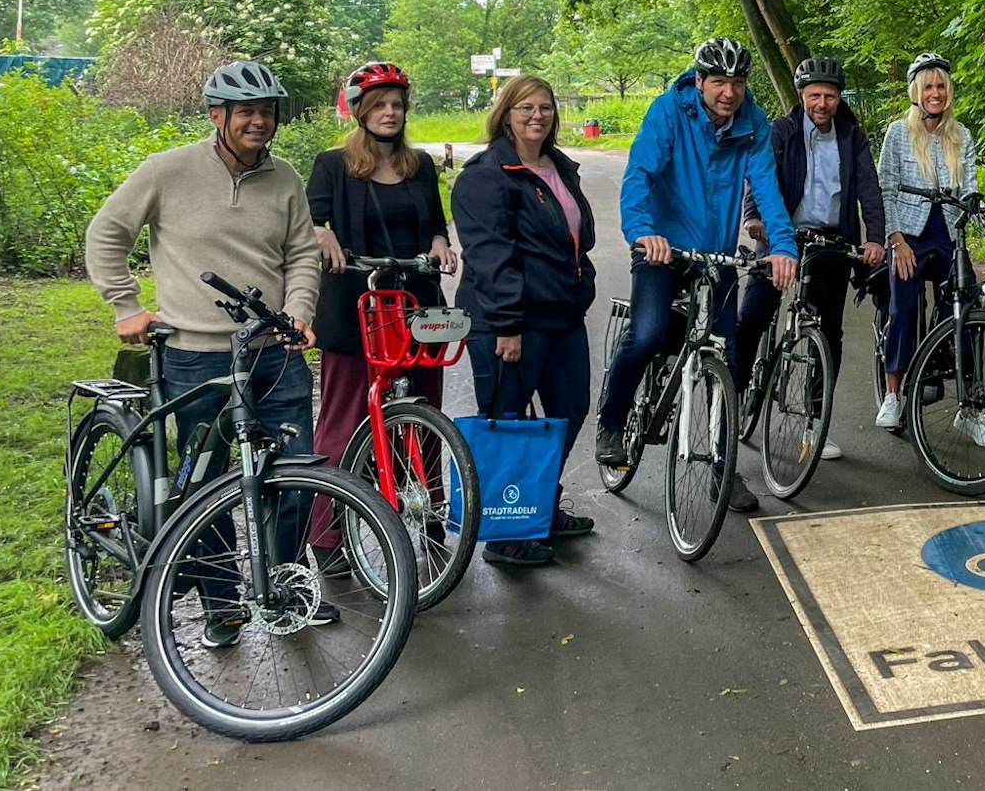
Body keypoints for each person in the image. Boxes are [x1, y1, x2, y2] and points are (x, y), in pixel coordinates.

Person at [84, 59, 323, 648]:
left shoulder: (285, 178)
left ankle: (288, 587)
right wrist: (125, 305)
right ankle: (224, 605)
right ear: (217, 116)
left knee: (293, 474)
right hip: (195, 354)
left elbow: (302, 253)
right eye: (246, 112)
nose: (258, 122)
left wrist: (299, 310)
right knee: (210, 483)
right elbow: (106, 232)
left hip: (273, 351)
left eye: (267, 112)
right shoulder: (167, 171)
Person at [593, 38, 798, 514]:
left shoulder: (753, 124)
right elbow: (640, 173)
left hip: (716, 255)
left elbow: (766, 188)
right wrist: (644, 232)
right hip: (662, 249)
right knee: (645, 336)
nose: (729, 92)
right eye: (720, 82)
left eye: (738, 82)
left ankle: (722, 470)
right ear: (700, 81)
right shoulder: (669, 111)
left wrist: (782, 247)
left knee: (725, 360)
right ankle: (610, 422)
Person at [304, 62, 455, 572]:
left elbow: (436, 224)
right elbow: (310, 217)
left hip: (416, 302)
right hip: (356, 303)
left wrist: (439, 243)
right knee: (345, 417)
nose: (390, 113)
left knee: (426, 412)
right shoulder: (332, 164)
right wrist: (321, 233)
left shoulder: (420, 165)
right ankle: (328, 536)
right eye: (379, 105)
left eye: (397, 104)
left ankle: (430, 517)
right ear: (359, 111)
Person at [452, 74, 599, 566]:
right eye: (525, 108)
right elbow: (491, 256)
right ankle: (506, 535)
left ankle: (540, 506)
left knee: (568, 413)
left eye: (545, 107)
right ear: (505, 113)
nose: (537, 116)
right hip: (509, 323)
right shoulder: (486, 174)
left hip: (561, 316)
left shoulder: (559, 166)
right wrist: (507, 324)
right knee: (508, 422)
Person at [733, 56, 887, 461]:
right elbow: (761, 173)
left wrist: (874, 237)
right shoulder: (782, 131)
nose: (822, 103)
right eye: (815, 95)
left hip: (830, 241)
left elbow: (869, 188)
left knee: (828, 332)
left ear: (839, 98)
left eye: (830, 96)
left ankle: (815, 422)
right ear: (802, 96)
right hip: (783, 236)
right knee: (752, 317)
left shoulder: (852, 136)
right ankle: (728, 408)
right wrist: (754, 218)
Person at [875, 52, 985, 444]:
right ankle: (893, 394)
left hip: (948, 234)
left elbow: (971, 184)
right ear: (916, 91)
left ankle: (970, 408)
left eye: (941, 85)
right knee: (904, 306)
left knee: (967, 310)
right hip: (908, 236)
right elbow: (885, 190)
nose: (935, 92)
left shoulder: (960, 135)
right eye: (928, 86)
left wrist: (982, 206)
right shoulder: (898, 133)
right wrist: (896, 241)